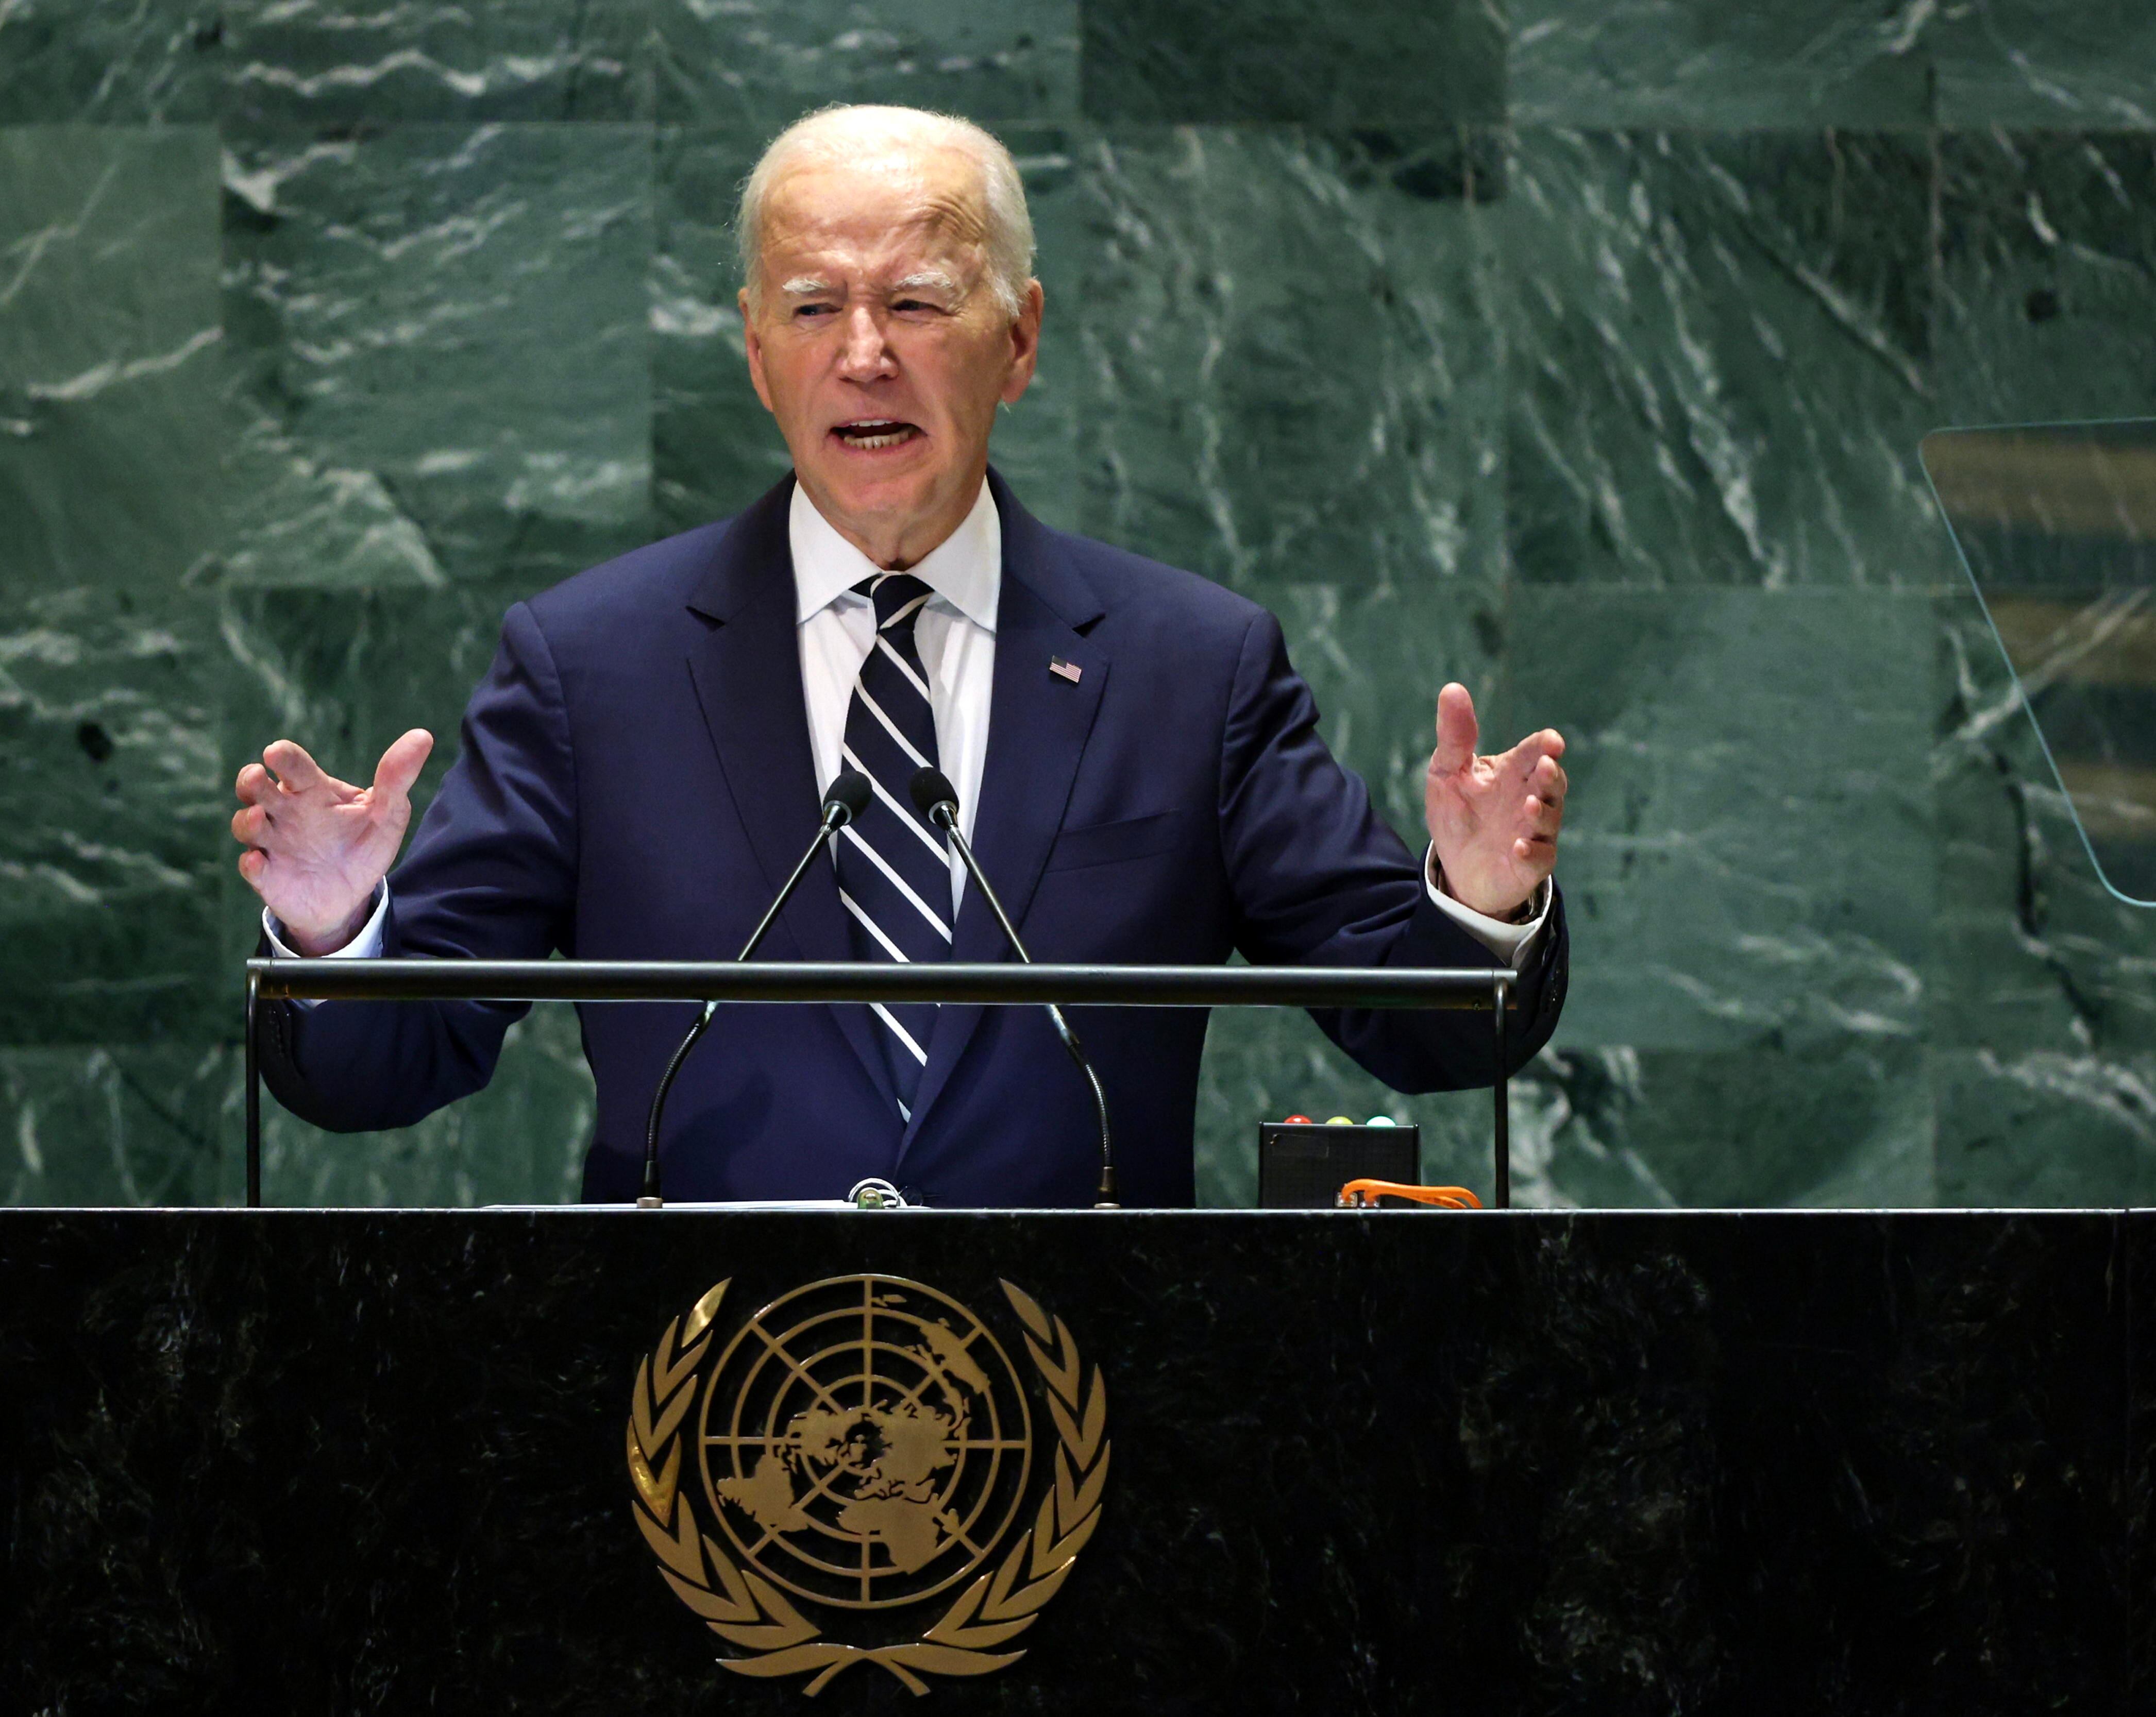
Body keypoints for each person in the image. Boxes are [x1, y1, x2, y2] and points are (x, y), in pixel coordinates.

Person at [233, 105, 1569, 1208]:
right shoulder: (593, 666)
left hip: (1091, 1412)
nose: (864, 355)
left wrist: (1480, 903)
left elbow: (1427, 1024)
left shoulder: (1190, 668)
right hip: (692, 1401)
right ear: (757, 354)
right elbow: (377, 1070)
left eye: (919, 303)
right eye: (814, 308)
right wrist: (337, 930)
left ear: (1022, 338)